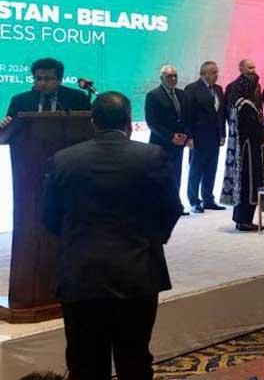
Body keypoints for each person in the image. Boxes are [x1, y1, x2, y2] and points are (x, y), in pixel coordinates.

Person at [42, 91, 182, 379]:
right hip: (137, 273)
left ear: (93, 122)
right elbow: (171, 209)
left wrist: (77, 242)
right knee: (135, 360)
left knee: (84, 363)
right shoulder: (152, 156)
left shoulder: (63, 160)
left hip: (81, 274)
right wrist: (152, 240)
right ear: (129, 121)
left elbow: (49, 217)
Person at [221, 73, 264, 231]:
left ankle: (241, 219)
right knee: (249, 184)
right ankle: (245, 220)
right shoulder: (246, 106)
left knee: (242, 184)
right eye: (256, 87)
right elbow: (254, 130)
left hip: (242, 150)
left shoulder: (237, 103)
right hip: (249, 152)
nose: (257, 90)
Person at [145, 65, 190, 215]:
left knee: (176, 175)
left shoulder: (182, 94)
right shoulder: (153, 95)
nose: (173, 79)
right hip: (161, 144)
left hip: (178, 144)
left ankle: (175, 205)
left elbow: (186, 118)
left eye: (175, 75)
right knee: (162, 176)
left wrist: (185, 135)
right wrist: (171, 136)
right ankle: (161, 207)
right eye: (169, 76)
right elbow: (152, 122)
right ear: (161, 78)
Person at [184, 61, 226, 214]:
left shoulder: (218, 89)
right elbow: (187, 115)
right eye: (213, 72)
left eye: (217, 72)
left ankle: (208, 199)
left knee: (211, 169)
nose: (216, 75)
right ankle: (194, 201)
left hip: (214, 137)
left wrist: (222, 133)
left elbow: (221, 114)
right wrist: (189, 136)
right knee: (196, 170)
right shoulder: (192, 89)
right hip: (198, 137)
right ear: (204, 74)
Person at [2, 57, 90, 128]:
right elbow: (9, 132)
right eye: (38, 78)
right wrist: (4, 126)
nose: (42, 83)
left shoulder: (78, 98)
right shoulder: (19, 101)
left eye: (47, 79)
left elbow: (88, 128)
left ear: (60, 80)